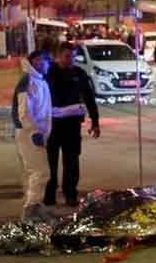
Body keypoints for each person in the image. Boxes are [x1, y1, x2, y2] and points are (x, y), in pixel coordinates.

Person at [45, 43, 100, 207]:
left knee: (72, 162)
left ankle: (70, 194)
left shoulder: (79, 74)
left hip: (72, 126)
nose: (71, 60)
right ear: (59, 56)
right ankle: (49, 195)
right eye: (68, 56)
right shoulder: (48, 73)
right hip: (51, 127)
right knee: (50, 163)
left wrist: (95, 122)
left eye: (73, 57)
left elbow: (90, 99)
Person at [12, 50, 53, 221]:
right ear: (36, 62)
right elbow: (24, 112)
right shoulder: (28, 81)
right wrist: (34, 131)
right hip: (30, 134)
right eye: (44, 60)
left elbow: (43, 109)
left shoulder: (39, 81)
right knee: (41, 172)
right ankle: (30, 209)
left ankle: (35, 205)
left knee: (34, 172)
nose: (47, 63)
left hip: (34, 133)